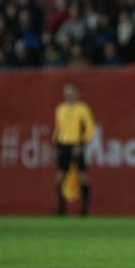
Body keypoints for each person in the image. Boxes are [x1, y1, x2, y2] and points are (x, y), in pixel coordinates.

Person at [53, 83, 96, 215]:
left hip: (77, 145)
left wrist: (82, 144)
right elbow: (58, 129)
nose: (68, 94)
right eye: (66, 92)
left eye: (71, 91)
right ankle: (61, 209)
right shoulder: (60, 109)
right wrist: (56, 144)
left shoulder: (83, 109)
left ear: (77, 93)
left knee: (82, 176)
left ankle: (84, 209)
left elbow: (89, 129)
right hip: (63, 145)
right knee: (60, 177)